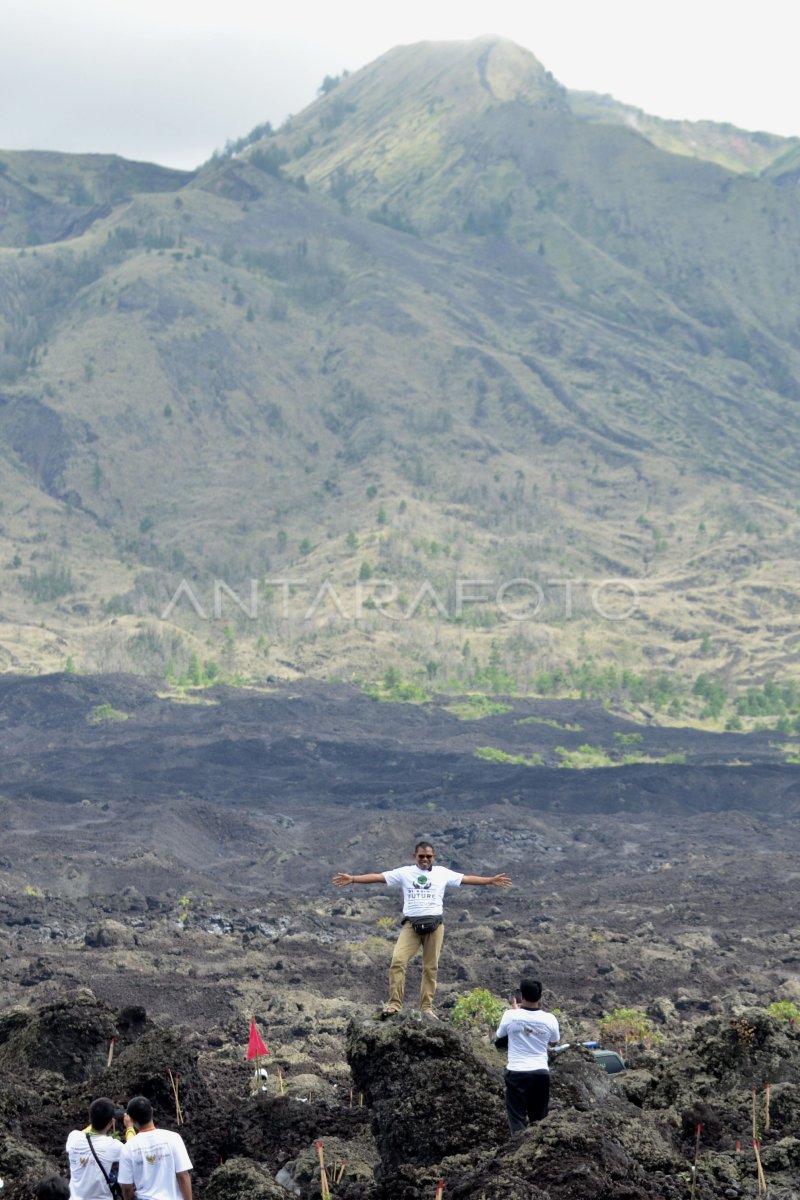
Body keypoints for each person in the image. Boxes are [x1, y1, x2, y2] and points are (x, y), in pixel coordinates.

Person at [333, 840, 512, 1019]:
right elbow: (379, 877)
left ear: (433, 857)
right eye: (421, 856)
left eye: (428, 856)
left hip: (435, 926)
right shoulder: (405, 872)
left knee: (430, 967)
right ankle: (394, 1003)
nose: (425, 859)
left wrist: (490, 880)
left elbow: (466, 879)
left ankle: (426, 1007)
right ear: (415, 856)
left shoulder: (442, 873)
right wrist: (353, 879)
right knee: (398, 960)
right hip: (411, 925)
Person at [495, 978, 560, 1134]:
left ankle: (518, 1148)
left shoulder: (510, 1015)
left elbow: (499, 1036)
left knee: (516, 1118)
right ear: (541, 996)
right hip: (540, 1073)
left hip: (516, 1073)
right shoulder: (550, 1019)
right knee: (539, 1120)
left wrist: (517, 1013)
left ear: (521, 996)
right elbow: (554, 1042)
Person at [118, 1096, 192, 1200]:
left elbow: (126, 1187)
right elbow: (183, 1176)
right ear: (152, 1111)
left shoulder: (128, 1148)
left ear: (132, 1120)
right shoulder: (173, 1138)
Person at [66, 1097, 125, 1200]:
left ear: (90, 1118)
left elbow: (87, 1131)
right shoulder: (114, 1146)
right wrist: (129, 1128)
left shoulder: (73, 1137)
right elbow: (134, 1150)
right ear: (111, 1123)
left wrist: (97, 1119)